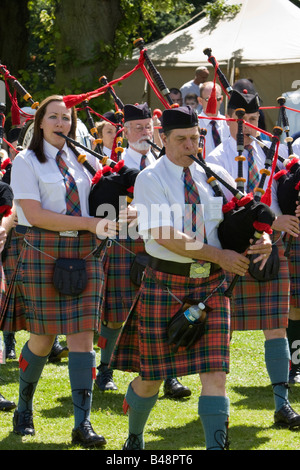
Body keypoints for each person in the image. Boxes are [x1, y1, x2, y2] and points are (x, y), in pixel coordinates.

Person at [110, 105, 271, 450]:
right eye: (181, 139)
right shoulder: (149, 179)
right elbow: (164, 234)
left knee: (215, 375)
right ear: (162, 138)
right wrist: (220, 256)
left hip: (211, 284)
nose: (190, 146)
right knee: (151, 379)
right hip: (166, 282)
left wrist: (263, 236)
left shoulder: (211, 173)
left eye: (195, 139)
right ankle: (134, 439)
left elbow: (243, 210)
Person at [0, 94, 118, 447]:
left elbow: (101, 202)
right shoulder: (26, 161)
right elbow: (33, 215)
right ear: (39, 123)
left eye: (66, 118)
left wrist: (119, 213)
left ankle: (83, 424)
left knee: (83, 338)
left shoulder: (83, 161)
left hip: (85, 251)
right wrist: (88, 222)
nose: (61, 124)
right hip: (44, 250)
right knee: (43, 338)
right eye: (53, 118)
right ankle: (24, 407)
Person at [206, 88, 300, 428]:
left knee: (275, 325)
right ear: (230, 119)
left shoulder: (268, 151)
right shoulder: (216, 157)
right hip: (232, 247)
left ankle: (281, 404)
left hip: (269, 246)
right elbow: (236, 202)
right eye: (242, 119)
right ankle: (220, 405)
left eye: (255, 119)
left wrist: (286, 217)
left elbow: (274, 199)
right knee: (222, 331)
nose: (248, 126)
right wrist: (268, 224)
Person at [96, 103, 191, 399]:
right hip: (126, 242)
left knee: (169, 307)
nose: (144, 132)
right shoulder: (112, 160)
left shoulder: (165, 161)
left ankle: (169, 374)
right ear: (124, 131)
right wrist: (129, 210)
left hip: (162, 241)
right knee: (116, 313)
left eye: (148, 126)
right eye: (137, 127)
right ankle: (106, 369)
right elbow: (103, 207)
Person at [198, 81, 230, 156]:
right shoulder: (194, 124)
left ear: (221, 99)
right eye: (208, 99)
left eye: (217, 99)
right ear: (200, 101)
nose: (213, 103)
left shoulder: (229, 123)